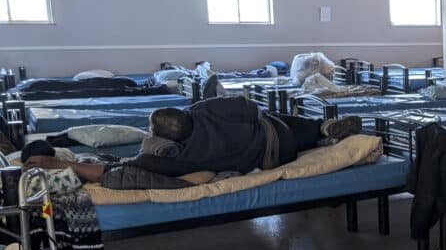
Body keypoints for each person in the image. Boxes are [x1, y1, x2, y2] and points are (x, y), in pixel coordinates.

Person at [23, 96, 363, 187]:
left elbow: (126, 171)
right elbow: (251, 108)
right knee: (286, 124)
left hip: (269, 158)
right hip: (274, 134)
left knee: (285, 140)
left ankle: (319, 139)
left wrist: (64, 163)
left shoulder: (173, 157)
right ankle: (322, 130)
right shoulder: (204, 110)